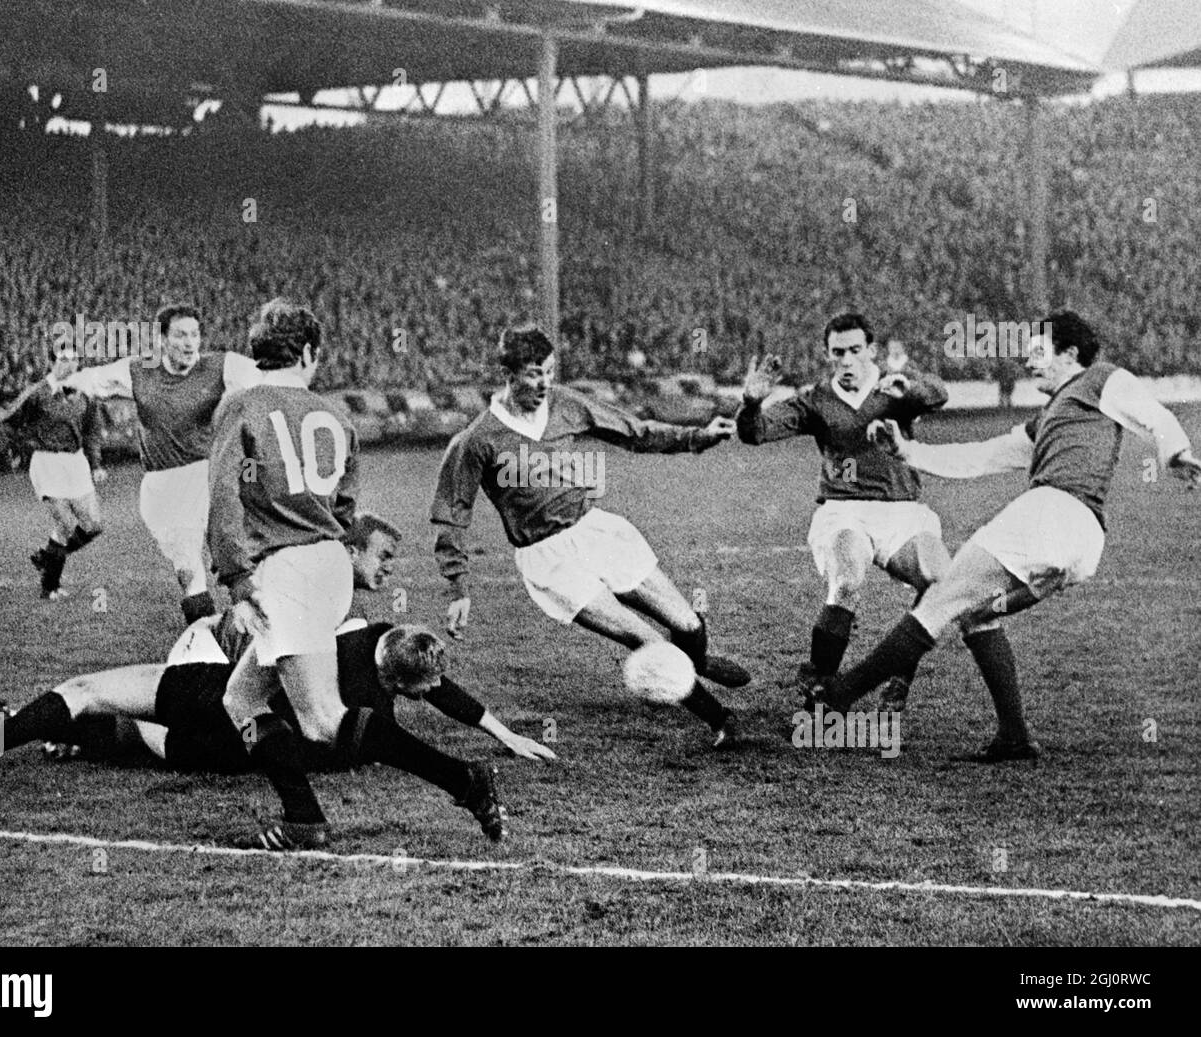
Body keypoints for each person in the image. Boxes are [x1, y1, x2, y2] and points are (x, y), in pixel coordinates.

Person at [823, 310, 1201, 759]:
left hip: (1054, 511)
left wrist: (1176, 452)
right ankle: (1013, 736)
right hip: (1079, 540)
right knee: (976, 611)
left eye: (1038, 350)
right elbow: (982, 456)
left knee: (941, 597)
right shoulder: (1051, 415)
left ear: (1070, 353)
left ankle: (839, 696)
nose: (1027, 360)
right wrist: (909, 451)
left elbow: (1153, 413)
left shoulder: (1100, 379)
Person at [0, 617, 548, 843]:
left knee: (90, 694)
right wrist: (498, 732)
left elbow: (255, 648)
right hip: (239, 747)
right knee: (132, 733)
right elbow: (438, 694)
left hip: (218, 698)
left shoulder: (343, 634)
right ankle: (17, 725)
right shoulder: (355, 720)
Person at [431, 324, 749, 747]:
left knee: (686, 623)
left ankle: (697, 663)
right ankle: (721, 720)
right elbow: (452, 515)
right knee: (647, 639)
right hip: (548, 559)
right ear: (507, 372)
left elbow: (632, 431)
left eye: (548, 371)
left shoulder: (565, 405)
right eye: (532, 373)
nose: (544, 382)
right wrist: (458, 586)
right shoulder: (476, 441)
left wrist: (697, 437)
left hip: (595, 532)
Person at [207, 297, 375, 850]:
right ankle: (302, 813)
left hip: (287, 569)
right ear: (307, 352)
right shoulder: (338, 414)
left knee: (322, 723)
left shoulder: (241, 405)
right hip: (330, 562)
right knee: (240, 700)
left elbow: (224, 497)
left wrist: (235, 579)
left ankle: (461, 779)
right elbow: (348, 508)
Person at [736, 313, 951, 710]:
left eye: (855, 351)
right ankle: (820, 687)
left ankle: (900, 677)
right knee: (848, 578)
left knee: (940, 580)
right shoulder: (815, 399)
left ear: (871, 350)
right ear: (828, 355)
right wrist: (751, 403)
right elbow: (756, 433)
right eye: (839, 353)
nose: (848, 360)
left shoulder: (894, 386)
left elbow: (938, 394)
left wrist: (909, 383)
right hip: (844, 510)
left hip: (903, 510)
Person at [65, 303, 262, 624]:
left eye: (195, 334)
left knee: (239, 550)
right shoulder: (140, 371)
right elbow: (96, 379)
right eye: (181, 335)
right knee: (188, 570)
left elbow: (264, 377)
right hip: (164, 485)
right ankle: (206, 637)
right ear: (161, 339)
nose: (189, 343)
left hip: (211, 473)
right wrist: (65, 385)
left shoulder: (220, 366)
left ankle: (255, 620)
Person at [0, 347, 106, 600]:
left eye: (74, 360)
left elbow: (92, 431)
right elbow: (8, 422)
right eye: (63, 360)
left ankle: (46, 557)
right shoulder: (37, 393)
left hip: (76, 462)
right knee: (66, 524)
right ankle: (50, 586)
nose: (70, 364)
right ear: (51, 363)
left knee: (92, 526)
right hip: (47, 463)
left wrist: (95, 464)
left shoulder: (85, 394)